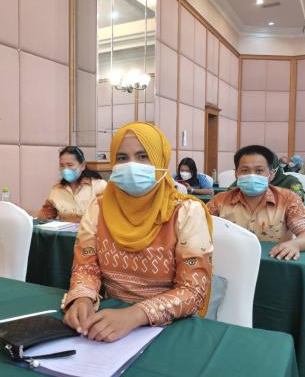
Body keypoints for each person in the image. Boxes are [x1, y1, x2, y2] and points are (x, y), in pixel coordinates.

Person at [62, 122, 213, 342]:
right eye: (122, 158)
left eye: (143, 156)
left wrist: (135, 315)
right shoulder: (99, 208)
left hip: (170, 326)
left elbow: (193, 291)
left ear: (160, 160)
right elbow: (86, 266)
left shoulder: (186, 212)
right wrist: (82, 298)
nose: (131, 165)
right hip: (110, 316)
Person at [207, 145, 305, 261]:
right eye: (245, 170)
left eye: (259, 171)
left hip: (274, 263)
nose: (252, 175)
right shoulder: (220, 200)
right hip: (230, 262)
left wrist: (295, 244)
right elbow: (199, 228)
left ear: (271, 174)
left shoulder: (288, 199)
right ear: (236, 174)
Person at [37, 146, 106, 222]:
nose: (65, 169)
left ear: (82, 165)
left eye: (70, 165)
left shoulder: (99, 186)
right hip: (65, 229)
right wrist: (44, 214)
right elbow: (46, 216)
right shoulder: (56, 190)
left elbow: (109, 214)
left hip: (91, 229)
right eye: (62, 165)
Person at [228, 153, 305, 201]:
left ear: (275, 170)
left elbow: (300, 196)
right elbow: (228, 194)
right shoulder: (248, 180)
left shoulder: (289, 180)